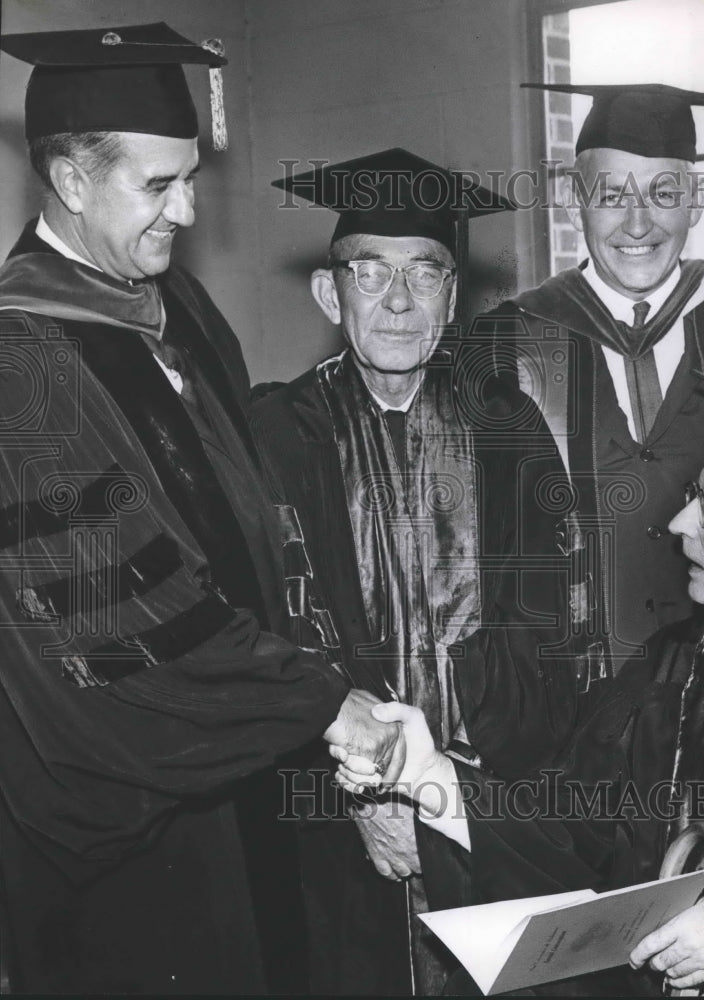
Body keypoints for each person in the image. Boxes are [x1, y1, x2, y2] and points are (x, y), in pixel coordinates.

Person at [0, 23, 398, 995]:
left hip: (246, 774)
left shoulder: (178, 311)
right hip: (139, 829)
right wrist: (315, 703)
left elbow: (253, 537)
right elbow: (112, 624)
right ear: (72, 180)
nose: (187, 207)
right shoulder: (21, 367)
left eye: (191, 178)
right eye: (157, 184)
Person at [336, 376, 704, 996]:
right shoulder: (670, 667)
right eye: (693, 495)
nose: (677, 521)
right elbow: (569, 827)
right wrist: (430, 779)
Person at [251, 148, 577, 995]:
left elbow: (549, 636)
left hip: (487, 800)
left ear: (453, 296)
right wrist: (364, 797)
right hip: (327, 809)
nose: (398, 300)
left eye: (424, 274)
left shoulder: (509, 429)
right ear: (330, 294)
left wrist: (453, 797)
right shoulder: (272, 436)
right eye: (371, 271)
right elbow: (266, 640)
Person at [478, 83, 704, 674]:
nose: (637, 223)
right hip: (559, 695)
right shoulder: (507, 340)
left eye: (663, 192)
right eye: (610, 195)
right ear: (576, 201)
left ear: (697, 200)